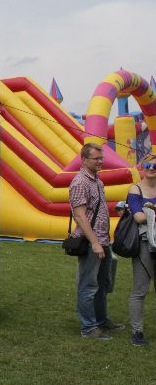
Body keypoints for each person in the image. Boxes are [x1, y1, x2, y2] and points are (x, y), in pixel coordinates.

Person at [69, 142, 124, 340]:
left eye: (102, 158)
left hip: (103, 241)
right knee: (89, 285)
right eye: (96, 158)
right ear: (84, 160)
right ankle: (89, 328)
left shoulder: (97, 181)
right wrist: (94, 242)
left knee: (103, 283)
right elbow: (80, 216)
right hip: (91, 242)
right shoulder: (80, 182)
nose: (100, 161)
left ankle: (101, 320)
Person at [127, 153, 156, 346]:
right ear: (142, 168)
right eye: (147, 165)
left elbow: (145, 214)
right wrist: (148, 212)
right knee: (140, 289)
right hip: (144, 244)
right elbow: (138, 217)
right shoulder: (135, 189)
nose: (151, 168)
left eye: (155, 166)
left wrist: (149, 210)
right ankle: (137, 332)